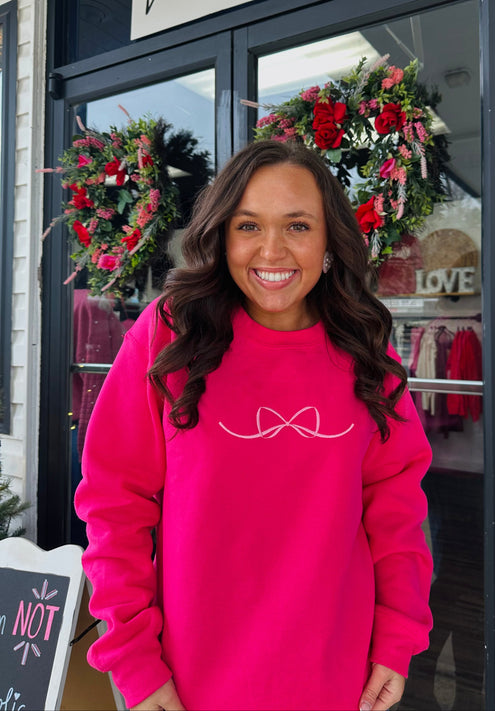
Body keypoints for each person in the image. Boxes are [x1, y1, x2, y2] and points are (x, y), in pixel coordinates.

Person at [75, 140, 433, 711]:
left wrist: (397, 639)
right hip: (186, 682)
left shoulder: (364, 352)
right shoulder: (170, 335)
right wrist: (134, 662)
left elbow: (396, 512)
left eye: (297, 225)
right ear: (222, 234)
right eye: (248, 225)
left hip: (337, 675)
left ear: (329, 242)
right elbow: (115, 506)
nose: (272, 250)